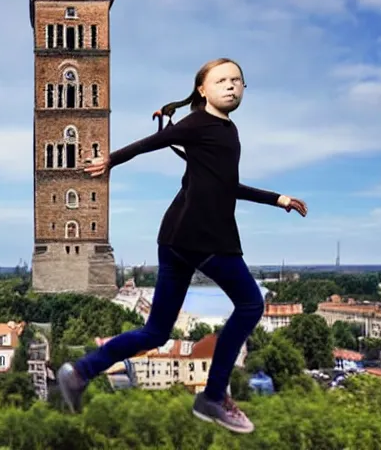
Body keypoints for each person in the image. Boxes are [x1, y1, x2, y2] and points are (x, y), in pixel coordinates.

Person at [57, 58, 307, 434]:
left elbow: (225, 186)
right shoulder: (197, 124)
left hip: (173, 238)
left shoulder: (226, 131)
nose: (231, 85)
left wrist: (277, 199)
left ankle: (79, 372)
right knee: (252, 304)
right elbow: (152, 142)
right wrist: (110, 160)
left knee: (156, 332)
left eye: (237, 80)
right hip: (202, 236)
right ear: (202, 89)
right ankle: (212, 396)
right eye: (221, 80)